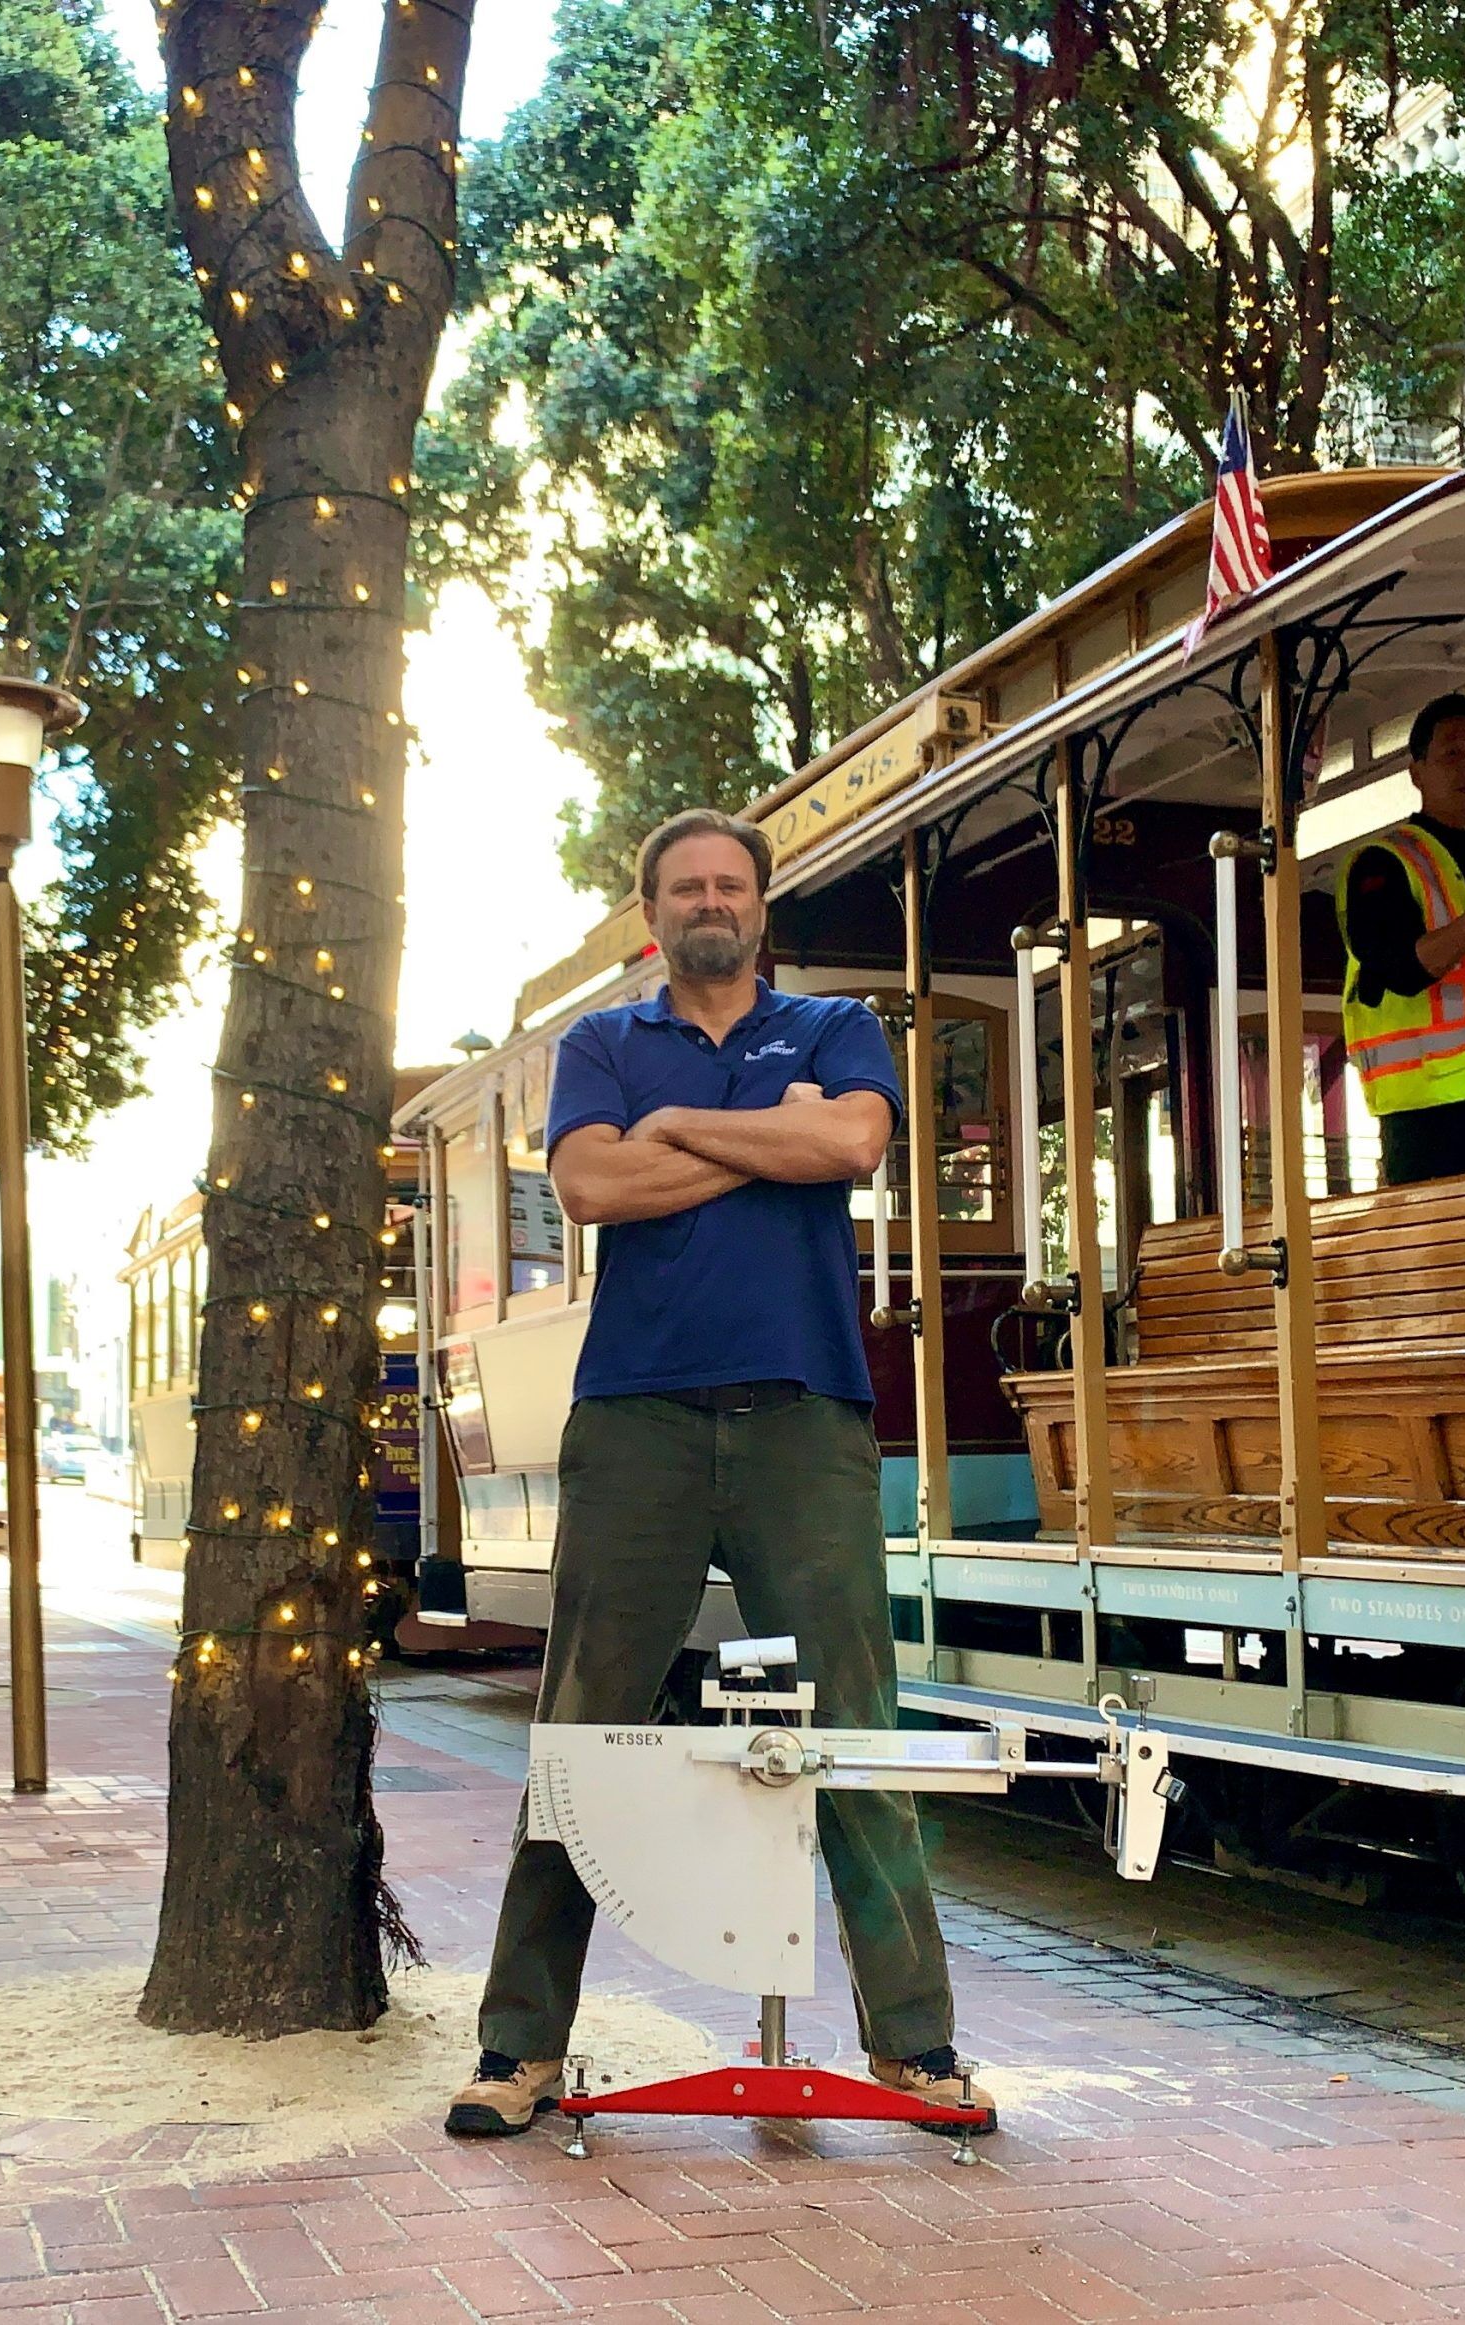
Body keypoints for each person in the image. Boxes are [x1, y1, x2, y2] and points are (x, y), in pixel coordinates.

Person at [446, 805, 990, 2138]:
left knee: (859, 1725)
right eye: (686, 884)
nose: (710, 900)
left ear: (760, 907)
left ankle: (915, 2051)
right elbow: (589, 1187)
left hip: (805, 1412)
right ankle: (520, 2050)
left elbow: (850, 1147)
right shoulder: (600, 1043)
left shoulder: (836, 1032)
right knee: (581, 1730)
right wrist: (752, 1131)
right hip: (635, 1420)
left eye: (731, 883)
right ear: (656, 917)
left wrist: (676, 1132)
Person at [1336, 693, 1465, 1187]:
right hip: (1422, 1109)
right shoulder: (1382, 864)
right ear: (1416, 771)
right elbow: (1400, 969)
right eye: (1452, 754)